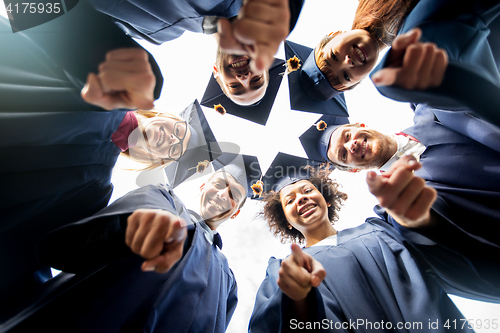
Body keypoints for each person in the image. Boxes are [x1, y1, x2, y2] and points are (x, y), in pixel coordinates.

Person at [9, 155, 262, 332]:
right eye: (220, 184)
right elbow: (91, 241)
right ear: (204, 185)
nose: (222, 195)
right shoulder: (164, 199)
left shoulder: (228, 281)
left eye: (233, 195)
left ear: (236, 212)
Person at [301, 103, 500, 302]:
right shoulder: (393, 207)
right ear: (352, 169)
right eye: (343, 155)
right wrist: (412, 218)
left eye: (347, 136)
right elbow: (427, 231)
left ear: (361, 125)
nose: (350, 145)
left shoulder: (432, 111)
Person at [249, 157, 474, 332]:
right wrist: (298, 302)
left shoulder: (379, 229)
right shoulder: (283, 270)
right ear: (286, 221)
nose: (301, 198)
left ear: (326, 199)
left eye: (308, 191)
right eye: (290, 201)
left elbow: (437, 251)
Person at [84, 0, 304, 106]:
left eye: (235, 87)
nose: (245, 78)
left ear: (217, 74)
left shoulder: (154, 33)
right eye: (257, 79)